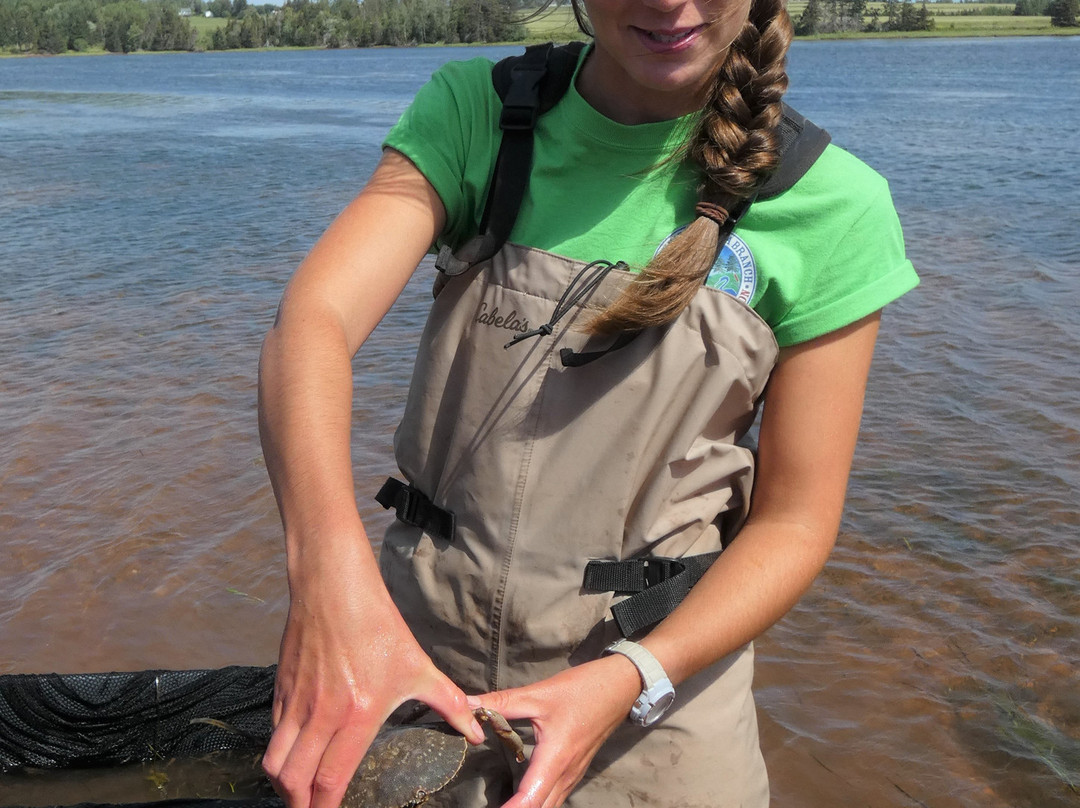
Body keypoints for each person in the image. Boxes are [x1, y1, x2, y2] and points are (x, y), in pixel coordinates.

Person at [256, 0, 918, 803]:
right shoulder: (482, 116)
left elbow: (796, 522)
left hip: (658, 713)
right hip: (417, 677)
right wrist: (331, 589)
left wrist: (632, 676)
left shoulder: (833, 205)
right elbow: (312, 323)